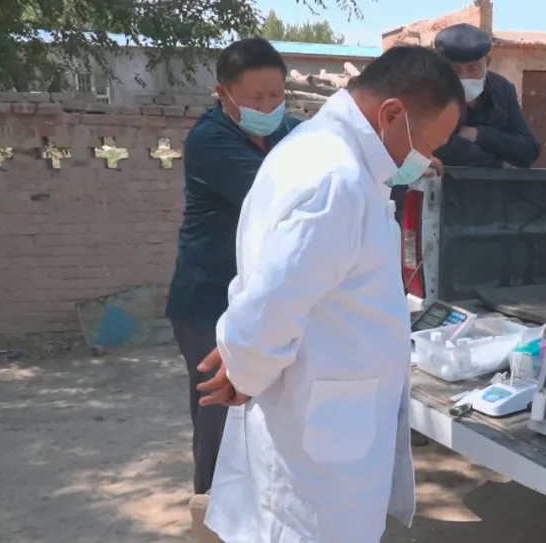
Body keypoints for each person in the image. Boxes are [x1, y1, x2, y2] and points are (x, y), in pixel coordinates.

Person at [195, 44, 465, 543]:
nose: (428, 158)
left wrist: (245, 358)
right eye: (430, 142)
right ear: (392, 114)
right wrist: (245, 367)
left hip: (325, 417)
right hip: (318, 441)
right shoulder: (336, 179)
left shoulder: (323, 153)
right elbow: (272, 303)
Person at [163, 37, 301, 539]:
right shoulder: (210, 141)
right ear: (223, 94)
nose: (268, 107)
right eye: (255, 98)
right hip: (207, 302)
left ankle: (262, 520)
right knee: (219, 415)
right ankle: (211, 520)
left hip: (258, 300)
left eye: (276, 95)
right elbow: (283, 194)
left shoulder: (289, 130)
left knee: (266, 417)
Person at [431, 23, 541, 168]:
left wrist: (480, 135)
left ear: (487, 63)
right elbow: (436, 147)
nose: (465, 77)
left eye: (473, 69)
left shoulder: (502, 89)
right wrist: (499, 163)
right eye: (455, 70)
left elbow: (529, 150)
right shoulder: (430, 91)